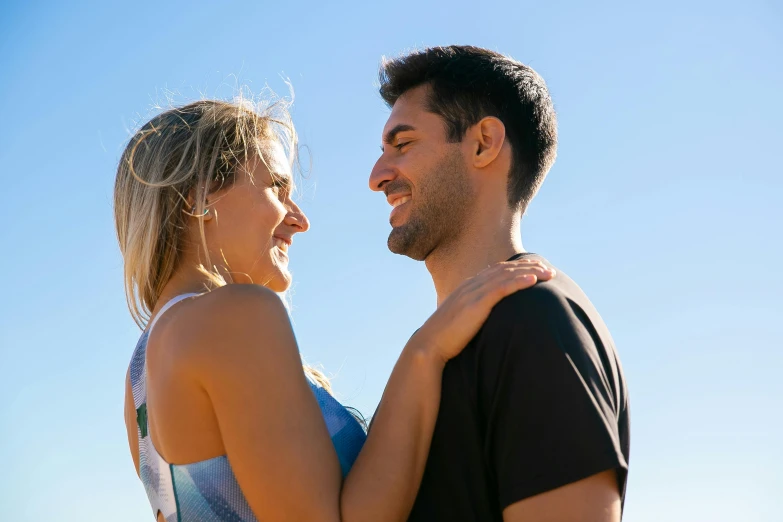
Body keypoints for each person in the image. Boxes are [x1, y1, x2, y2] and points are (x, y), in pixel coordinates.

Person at [116, 96, 555, 521]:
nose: (299, 219)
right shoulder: (239, 315)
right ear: (198, 199)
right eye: (276, 188)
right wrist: (427, 349)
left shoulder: (138, 379)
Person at [369, 45, 630, 522]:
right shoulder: (442, 351)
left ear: (483, 143)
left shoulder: (536, 322)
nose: (377, 176)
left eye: (402, 144)